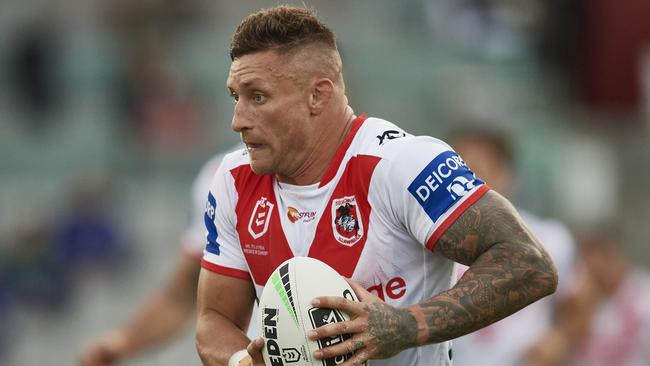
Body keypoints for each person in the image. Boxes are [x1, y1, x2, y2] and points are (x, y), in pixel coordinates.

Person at [196, 6, 558, 366]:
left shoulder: (402, 165)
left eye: (258, 97)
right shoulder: (233, 180)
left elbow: (528, 261)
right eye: (235, 97)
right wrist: (244, 362)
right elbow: (214, 320)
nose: (238, 120)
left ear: (318, 95)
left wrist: (405, 325)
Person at [79, 145, 246, 366]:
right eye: (237, 107)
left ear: (308, 108)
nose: (239, 121)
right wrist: (123, 342)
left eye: (259, 106)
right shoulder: (225, 176)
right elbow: (183, 295)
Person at [448, 128, 578, 366]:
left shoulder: (549, 238)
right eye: (455, 176)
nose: (465, 185)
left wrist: (557, 340)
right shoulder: (432, 246)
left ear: (506, 173)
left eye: (476, 172)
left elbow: (577, 305)